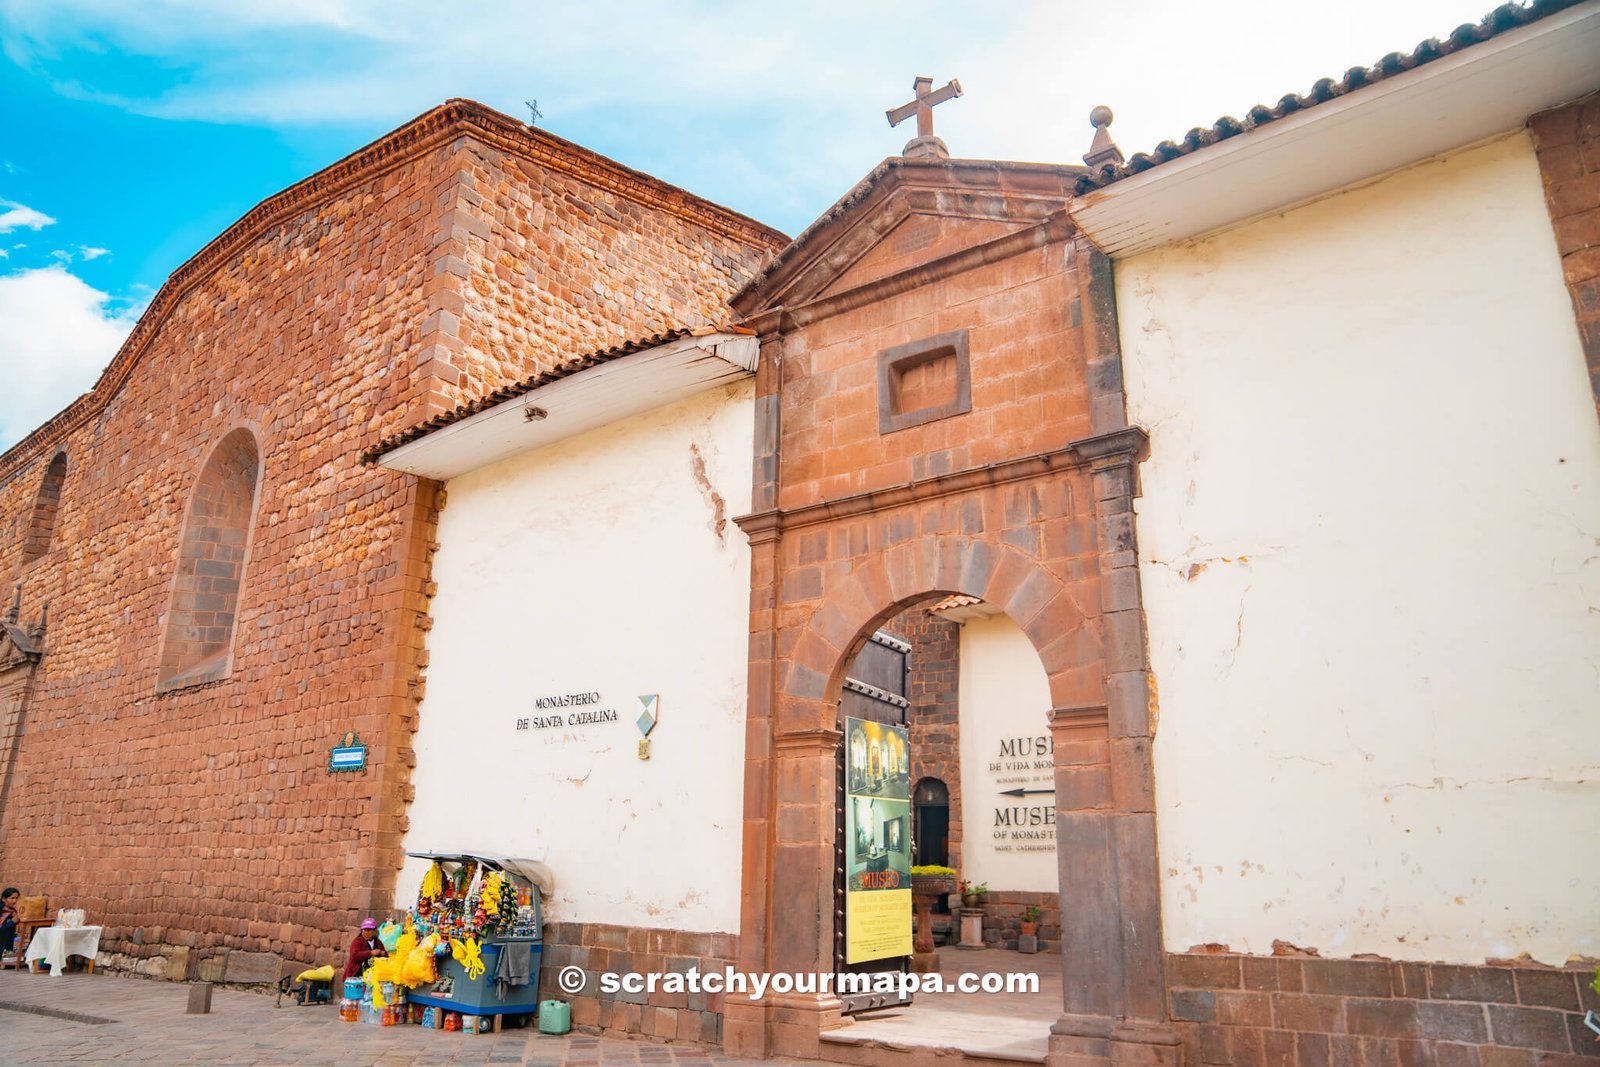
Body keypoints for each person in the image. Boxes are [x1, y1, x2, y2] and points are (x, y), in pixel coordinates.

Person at [0, 887, 20, 957]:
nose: (15, 901)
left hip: (5, 942)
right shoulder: (1, 912)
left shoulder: (13, 911)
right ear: (3, 899)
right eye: (12, 898)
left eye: (16, 898)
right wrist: (12, 922)